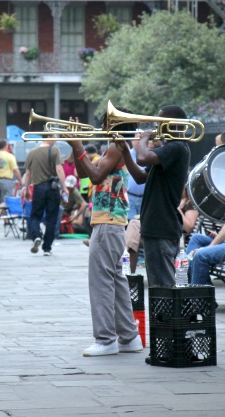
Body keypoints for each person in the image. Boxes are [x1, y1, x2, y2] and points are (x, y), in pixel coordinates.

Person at [67, 110, 143, 357]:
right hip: (111, 219)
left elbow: (97, 175)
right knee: (116, 279)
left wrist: (78, 144)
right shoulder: (112, 148)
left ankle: (106, 339)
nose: (100, 125)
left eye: (105, 122)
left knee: (100, 280)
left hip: (108, 219)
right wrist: (75, 145)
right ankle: (129, 337)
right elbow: (83, 174)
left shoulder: (115, 147)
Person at [129, 105, 191, 287]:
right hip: (157, 225)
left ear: (173, 124)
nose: (157, 125)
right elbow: (141, 177)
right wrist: (125, 152)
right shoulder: (171, 149)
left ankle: (167, 316)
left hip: (161, 225)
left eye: (160, 121)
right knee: (159, 286)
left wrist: (144, 139)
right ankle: (163, 315)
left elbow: (142, 158)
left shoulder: (176, 147)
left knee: (163, 286)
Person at [23, 136, 67, 256]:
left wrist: (26, 189)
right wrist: (64, 187)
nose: (56, 140)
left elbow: (28, 173)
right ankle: (47, 248)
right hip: (52, 188)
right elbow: (59, 169)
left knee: (35, 216)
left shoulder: (32, 152)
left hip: (38, 188)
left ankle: (36, 236)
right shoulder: (54, 150)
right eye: (54, 137)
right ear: (48, 136)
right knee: (51, 218)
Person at [186, 213, 225, 285]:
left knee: (200, 255)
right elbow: (224, 226)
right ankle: (190, 273)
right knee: (196, 238)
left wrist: (209, 247)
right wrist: (218, 236)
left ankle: (199, 292)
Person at [0, 139, 22, 207]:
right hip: (7, 181)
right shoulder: (9, 156)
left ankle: (0, 216)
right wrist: (20, 181)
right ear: (6, 146)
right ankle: (2, 215)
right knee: (7, 202)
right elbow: (15, 170)